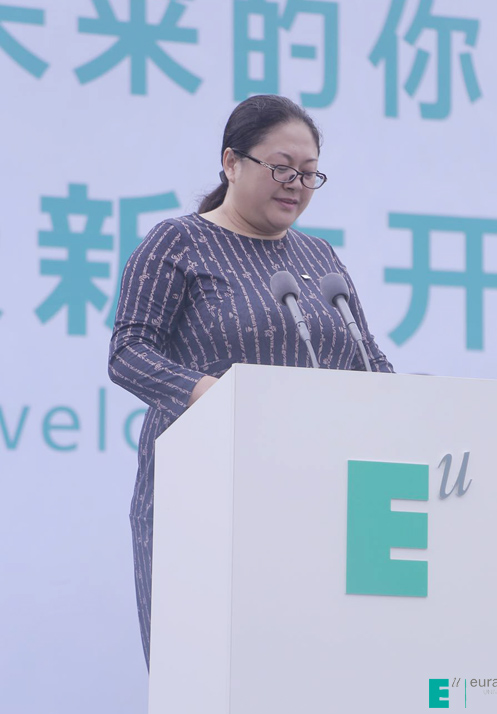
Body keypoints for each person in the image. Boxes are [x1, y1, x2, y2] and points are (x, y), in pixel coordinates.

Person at [108, 94, 394, 668]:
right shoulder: (178, 242)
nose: (296, 185)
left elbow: (368, 360)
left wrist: (407, 404)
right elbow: (128, 353)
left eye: (309, 174)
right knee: (206, 680)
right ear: (231, 162)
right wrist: (216, 398)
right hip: (202, 497)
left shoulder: (319, 257)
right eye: (282, 168)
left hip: (314, 501)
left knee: (303, 681)